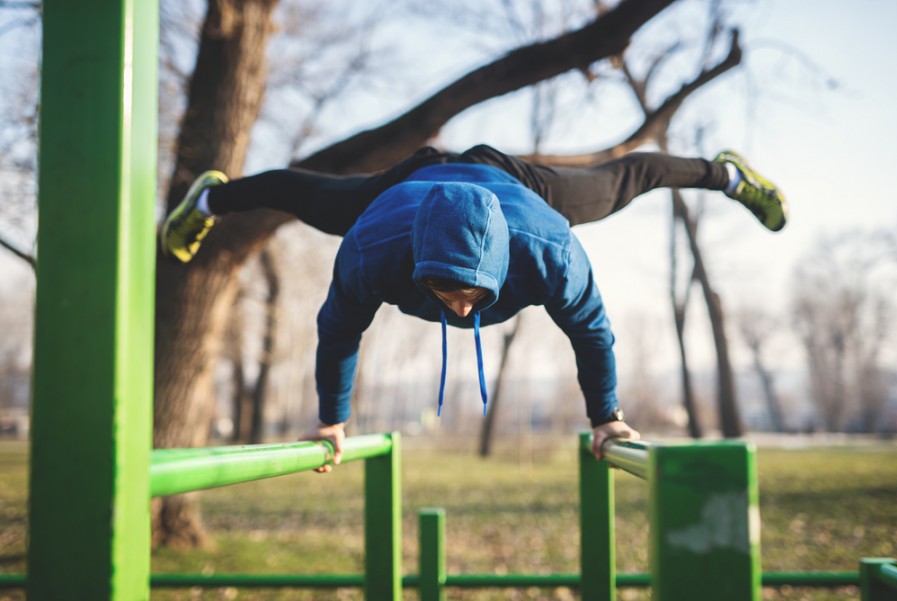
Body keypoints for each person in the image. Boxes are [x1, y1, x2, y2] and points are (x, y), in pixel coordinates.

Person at [161, 144, 787, 470]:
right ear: (413, 269)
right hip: (404, 189)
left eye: (471, 297)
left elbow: (592, 333)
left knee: (624, 180)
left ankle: (726, 176)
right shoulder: (372, 249)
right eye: (445, 295)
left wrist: (608, 416)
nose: (461, 315)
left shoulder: (549, 251)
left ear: (500, 274)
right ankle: (212, 200)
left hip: (511, 183)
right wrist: (332, 419)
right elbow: (337, 333)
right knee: (307, 195)